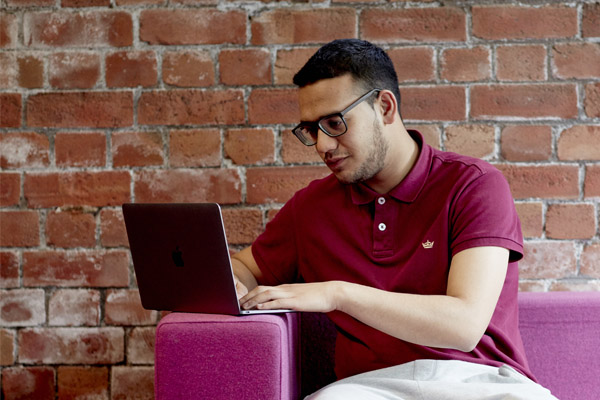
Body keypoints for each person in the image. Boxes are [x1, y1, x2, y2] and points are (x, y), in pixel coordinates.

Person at [231, 39, 557, 399]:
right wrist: (234, 287)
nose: (323, 145)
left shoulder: (473, 185)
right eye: (311, 129)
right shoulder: (310, 208)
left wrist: (337, 294)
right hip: (369, 388)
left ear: (385, 107)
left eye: (334, 123)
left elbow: (464, 325)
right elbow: (242, 270)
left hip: (481, 381)